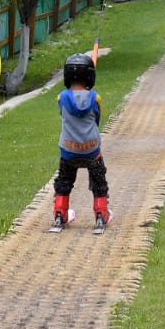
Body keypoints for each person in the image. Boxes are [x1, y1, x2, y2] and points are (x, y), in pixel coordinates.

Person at [51, 53, 110, 232]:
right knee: (99, 180)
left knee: (64, 180)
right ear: (90, 76)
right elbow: (96, 119)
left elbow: (63, 114)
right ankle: (101, 214)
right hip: (91, 150)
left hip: (68, 151)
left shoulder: (61, 98)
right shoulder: (95, 98)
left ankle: (60, 213)